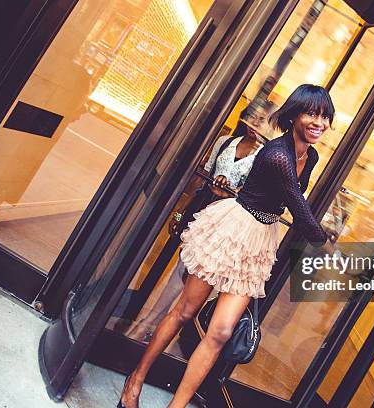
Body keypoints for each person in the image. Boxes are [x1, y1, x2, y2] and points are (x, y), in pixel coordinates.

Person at [117, 84, 334, 408]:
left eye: (325, 116)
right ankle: (134, 381)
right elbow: (298, 206)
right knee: (185, 312)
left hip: (260, 238)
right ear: (294, 116)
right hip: (233, 228)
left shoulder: (310, 155)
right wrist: (329, 248)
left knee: (220, 332)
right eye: (311, 114)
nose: (319, 123)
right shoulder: (277, 155)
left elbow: (295, 201)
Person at [124, 101, 276, 340]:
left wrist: (230, 192)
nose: (255, 123)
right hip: (202, 207)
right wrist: (177, 213)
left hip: (229, 217)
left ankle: (151, 324)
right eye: (253, 117)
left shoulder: (264, 158)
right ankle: (150, 323)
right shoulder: (225, 142)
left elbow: (255, 197)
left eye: (262, 120)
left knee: (190, 272)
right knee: (181, 265)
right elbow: (200, 178)